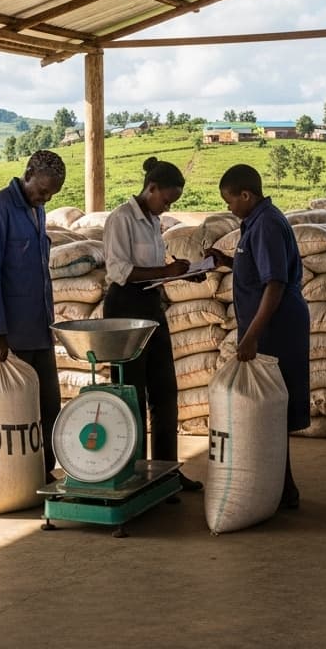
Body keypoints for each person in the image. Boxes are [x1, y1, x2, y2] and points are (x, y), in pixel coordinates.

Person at [205, 165, 308, 509]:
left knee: (271, 408)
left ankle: (281, 490)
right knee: (268, 409)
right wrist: (230, 262)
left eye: (230, 201)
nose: (230, 209)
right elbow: (259, 269)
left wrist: (251, 336)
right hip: (269, 325)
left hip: (275, 328)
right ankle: (283, 487)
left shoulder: (265, 225)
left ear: (246, 195)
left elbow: (274, 284)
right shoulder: (258, 222)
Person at [103, 157, 202, 492]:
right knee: (132, 392)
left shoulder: (152, 221)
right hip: (124, 309)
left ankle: (166, 470)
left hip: (150, 306)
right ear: (152, 188)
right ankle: (132, 472)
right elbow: (120, 271)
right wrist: (165, 272)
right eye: (166, 199)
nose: (167, 205)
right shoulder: (121, 219)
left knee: (165, 390)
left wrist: (182, 270)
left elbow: (156, 268)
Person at [0, 149, 66, 480]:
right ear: (27, 174)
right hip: (12, 331)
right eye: (42, 190)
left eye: (51, 194)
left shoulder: (36, 209)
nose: (45, 198)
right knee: (18, 410)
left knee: (48, 404)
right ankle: (17, 475)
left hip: (40, 326)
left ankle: (42, 471)